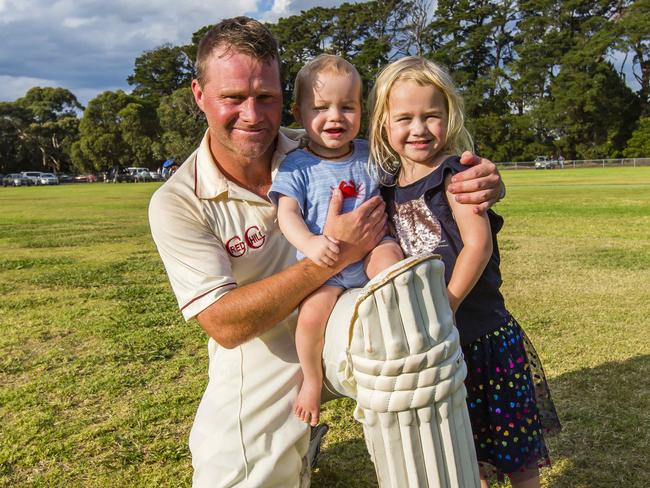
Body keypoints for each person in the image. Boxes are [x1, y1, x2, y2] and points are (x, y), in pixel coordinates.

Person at [149, 17, 504, 487]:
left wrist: (477, 182)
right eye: (233, 98)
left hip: (356, 309)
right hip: (266, 347)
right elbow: (225, 324)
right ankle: (300, 430)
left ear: (286, 103)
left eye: (266, 98)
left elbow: (423, 164)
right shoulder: (178, 200)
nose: (252, 114)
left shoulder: (323, 142)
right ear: (199, 95)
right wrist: (333, 255)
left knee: (402, 333)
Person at [371, 56, 561, 488]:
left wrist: (448, 303)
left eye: (430, 116)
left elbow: (477, 244)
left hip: (482, 336)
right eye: (404, 118)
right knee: (460, 447)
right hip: (439, 348)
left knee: (516, 455)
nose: (418, 129)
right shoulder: (385, 188)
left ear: (449, 117)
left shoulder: (456, 175)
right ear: (384, 125)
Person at [268, 54, 404, 427]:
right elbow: (287, 214)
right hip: (324, 268)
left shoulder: (369, 153)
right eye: (321, 107)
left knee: (392, 265)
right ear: (298, 113)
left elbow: (408, 171)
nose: (335, 117)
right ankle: (313, 380)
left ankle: (400, 336)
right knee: (309, 319)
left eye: (347, 107)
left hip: (372, 247)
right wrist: (310, 245)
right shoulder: (296, 165)